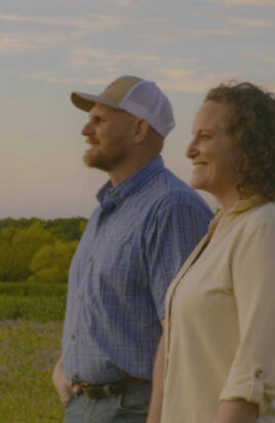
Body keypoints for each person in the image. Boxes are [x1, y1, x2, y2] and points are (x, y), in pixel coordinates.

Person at [54, 75, 214, 423]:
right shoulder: (106, 209)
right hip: (84, 406)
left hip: (134, 410)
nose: (85, 129)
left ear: (139, 129)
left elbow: (182, 335)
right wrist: (66, 365)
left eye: (100, 120)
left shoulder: (172, 208)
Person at [153, 82, 275, 423]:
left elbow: (251, 379)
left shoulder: (268, 229)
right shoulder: (223, 229)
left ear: (247, 148)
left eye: (205, 137)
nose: (190, 150)